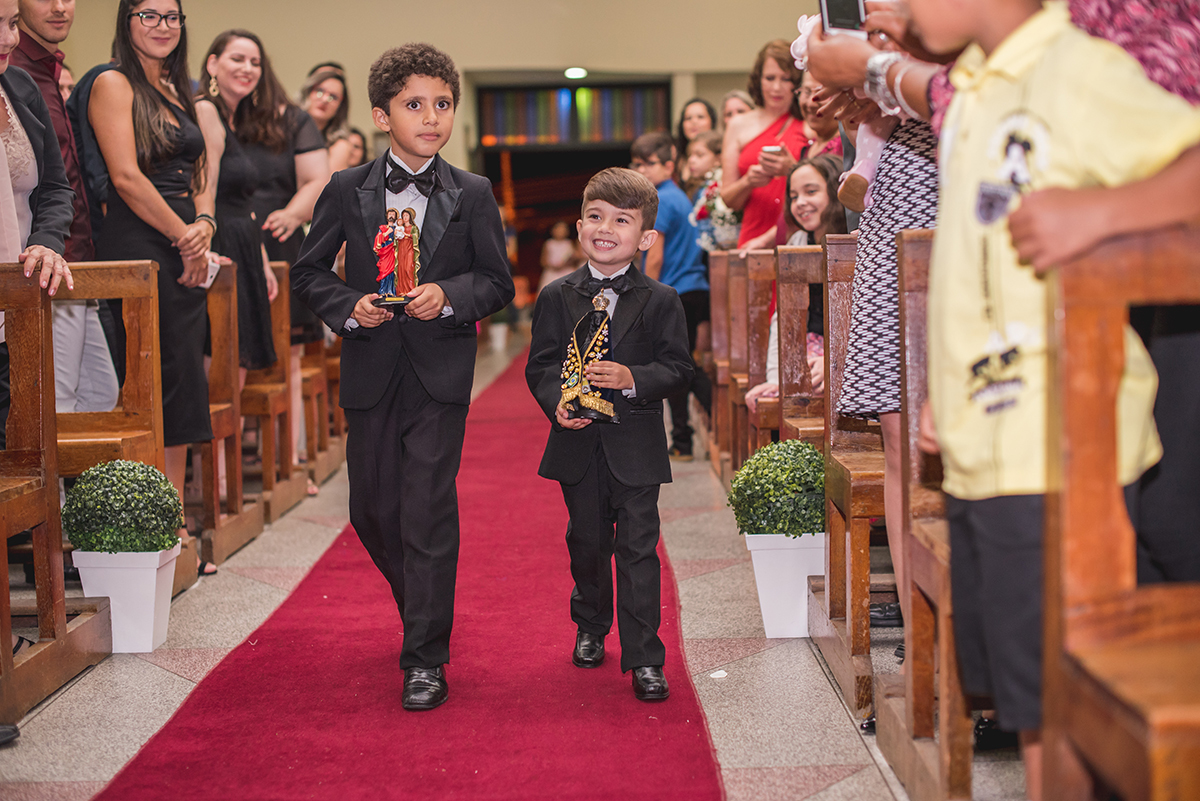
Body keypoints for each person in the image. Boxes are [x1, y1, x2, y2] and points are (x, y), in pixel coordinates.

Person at [904, 2, 1200, 798]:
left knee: (1065, 703)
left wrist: (1103, 212)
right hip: (989, 436)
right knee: (1036, 698)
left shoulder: (1075, 71)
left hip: (1059, 442)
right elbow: (974, 265)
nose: (893, 7)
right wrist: (946, 386)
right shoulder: (970, 89)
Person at [290, 43, 514, 711]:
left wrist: (448, 294)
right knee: (372, 509)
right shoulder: (344, 188)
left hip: (440, 372)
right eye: (415, 104)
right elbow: (307, 273)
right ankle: (421, 601)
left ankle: (424, 655)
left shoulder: (472, 192)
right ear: (383, 115)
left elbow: (496, 280)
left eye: (442, 104)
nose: (431, 116)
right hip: (370, 365)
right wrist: (347, 306)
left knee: (426, 508)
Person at [525, 167, 692, 701]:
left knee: (639, 549)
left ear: (644, 238)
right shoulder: (556, 295)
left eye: (621, 221)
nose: (606, 228)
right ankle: (592, 625)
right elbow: (541, 366)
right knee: (588, 542)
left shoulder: (661, 298)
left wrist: (633, 379)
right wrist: (556, 403)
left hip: (636, 445)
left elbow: (679, 369)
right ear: (579, 227)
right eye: (595, 217)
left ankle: (645, 656)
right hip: (578, 443)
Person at [88, 0, 215, 553]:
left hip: (183, 241)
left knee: (184, 376)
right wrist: (183, 234)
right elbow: (125, 176)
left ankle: (174, 512)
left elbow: (200, 164)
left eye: (172, 16)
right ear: (127, 20)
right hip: (140, 239)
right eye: (149, 15)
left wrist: (204, 223)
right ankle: (155, 518)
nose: (163, 26)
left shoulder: (176, 88)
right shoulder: (113, 83)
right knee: (149, 379)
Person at [12, 0, 119, 417]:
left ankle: (77, 487)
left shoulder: (47, 69)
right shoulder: (15, 72)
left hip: (73, 260)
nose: (60, 8)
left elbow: (63, 180)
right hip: (42, 264)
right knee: (57, 407)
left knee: (99, 399)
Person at [197, 29, 279, 374]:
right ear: (213, 64)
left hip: (243, 242)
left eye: (255, 62)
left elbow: (243, 201)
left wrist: (260, 259)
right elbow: (205, 186)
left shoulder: (235, 120)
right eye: (238, 59)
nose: (248, 68)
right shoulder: (205, 110)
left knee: (238, 363)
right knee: (218, 361)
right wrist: (203, 246)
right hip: (221, 242)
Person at [631, 131, 711, 461]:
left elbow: (656, 253)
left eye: (648, 164)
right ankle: (683, 439)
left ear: (668, 165)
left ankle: (684, 439)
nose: (642, 170)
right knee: (683, 366)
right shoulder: (679, 195)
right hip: (691, 289)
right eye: (637, 164)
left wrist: (644, 297)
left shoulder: (661, 198)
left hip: (676, 290)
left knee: (680, 369)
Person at [744, 154, 844, 413]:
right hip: (809, 348)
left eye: (811, 191)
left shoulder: (852, 241)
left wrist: (834, 358)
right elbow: (784, 317)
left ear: (835, 191)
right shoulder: (799, 241)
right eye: (794, 196)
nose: (800, 203)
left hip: (846, 351)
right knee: (771, 395)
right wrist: (775, 378)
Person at [721, 40, 808, 248]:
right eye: (770, 78)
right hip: (752, 235)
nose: (776, 87)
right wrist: (748, 182)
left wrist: (792, 169)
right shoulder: (738, 125)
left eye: (786, 79)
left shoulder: (809, 123)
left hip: (796, 235)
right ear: (758, 80)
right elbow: (728, 199)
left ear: (797, 82)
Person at [687, 130, 741, 252]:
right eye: (690, 155)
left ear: (718, 159)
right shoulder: (699, 188)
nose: (692, 160)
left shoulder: (721, 186)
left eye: (699, 155)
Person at [299, 66, 353, 172]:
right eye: (320, 91)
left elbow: (328, 187)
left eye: (333, 97)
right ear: (308, 92)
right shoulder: (286, 129)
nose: (324, 100)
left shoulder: (339, 145)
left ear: (340, 106)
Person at [673, 97, 715, 192]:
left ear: (712, 121)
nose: (694, 122)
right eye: (688, 118)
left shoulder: (723, 154)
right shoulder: (675, 157)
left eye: (700, 117)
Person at [537, 219, 580, 293]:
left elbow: (574, 257)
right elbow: (543, 261)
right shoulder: (549, 243)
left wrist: (565, 264)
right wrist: (553, 266)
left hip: (566, 271)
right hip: (552, 272)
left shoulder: (568, 243)